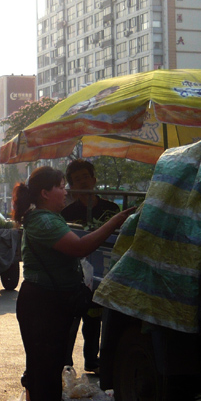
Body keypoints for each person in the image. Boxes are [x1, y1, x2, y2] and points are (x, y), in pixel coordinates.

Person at [13, 166, 133, 401]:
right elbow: (80, 248)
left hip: (42, 300)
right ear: (45, 193)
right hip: (43, 303)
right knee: (48, 366)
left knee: (42, 362)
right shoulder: (44, 221)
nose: (66, 191)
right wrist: (115, 221)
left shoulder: (45, 217)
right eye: (61, 186)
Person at [60, 159, 122, 373]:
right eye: (78, 180)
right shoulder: (65, 215)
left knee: (94, 317)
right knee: (70, 318)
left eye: (86, 177)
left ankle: (92, 359)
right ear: (72, 187)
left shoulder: (112, 210)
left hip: (104, 273)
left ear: (94, 180)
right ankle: (65, 363)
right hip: (75, 275)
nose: (83, 182)